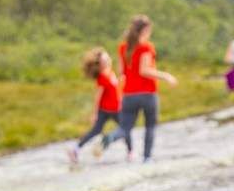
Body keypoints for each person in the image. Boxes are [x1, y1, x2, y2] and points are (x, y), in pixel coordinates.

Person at [108, 15, 177, 162]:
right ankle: (147, 158)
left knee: (125, 128)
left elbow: (121, 72)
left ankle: (109, 138)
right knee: (150, 126)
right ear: (145, 30)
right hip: (147, 93)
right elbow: (144, 70)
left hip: (129, 94)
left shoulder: (123, 47)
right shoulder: (146, 47)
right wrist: (166, 76)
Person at [68, 47, 124, 163]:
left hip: (116, 108)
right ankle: (75, 149)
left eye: (108, 58)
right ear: (100, 64)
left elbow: (114, 89)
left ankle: (129, 151)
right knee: (119, 128)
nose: (108, 60)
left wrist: (121, 81)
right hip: (106, 110)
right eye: (105, 60)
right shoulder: (102, 77)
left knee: (124, 127)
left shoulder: (110, 72)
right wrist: (94, 114)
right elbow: (98, 96)